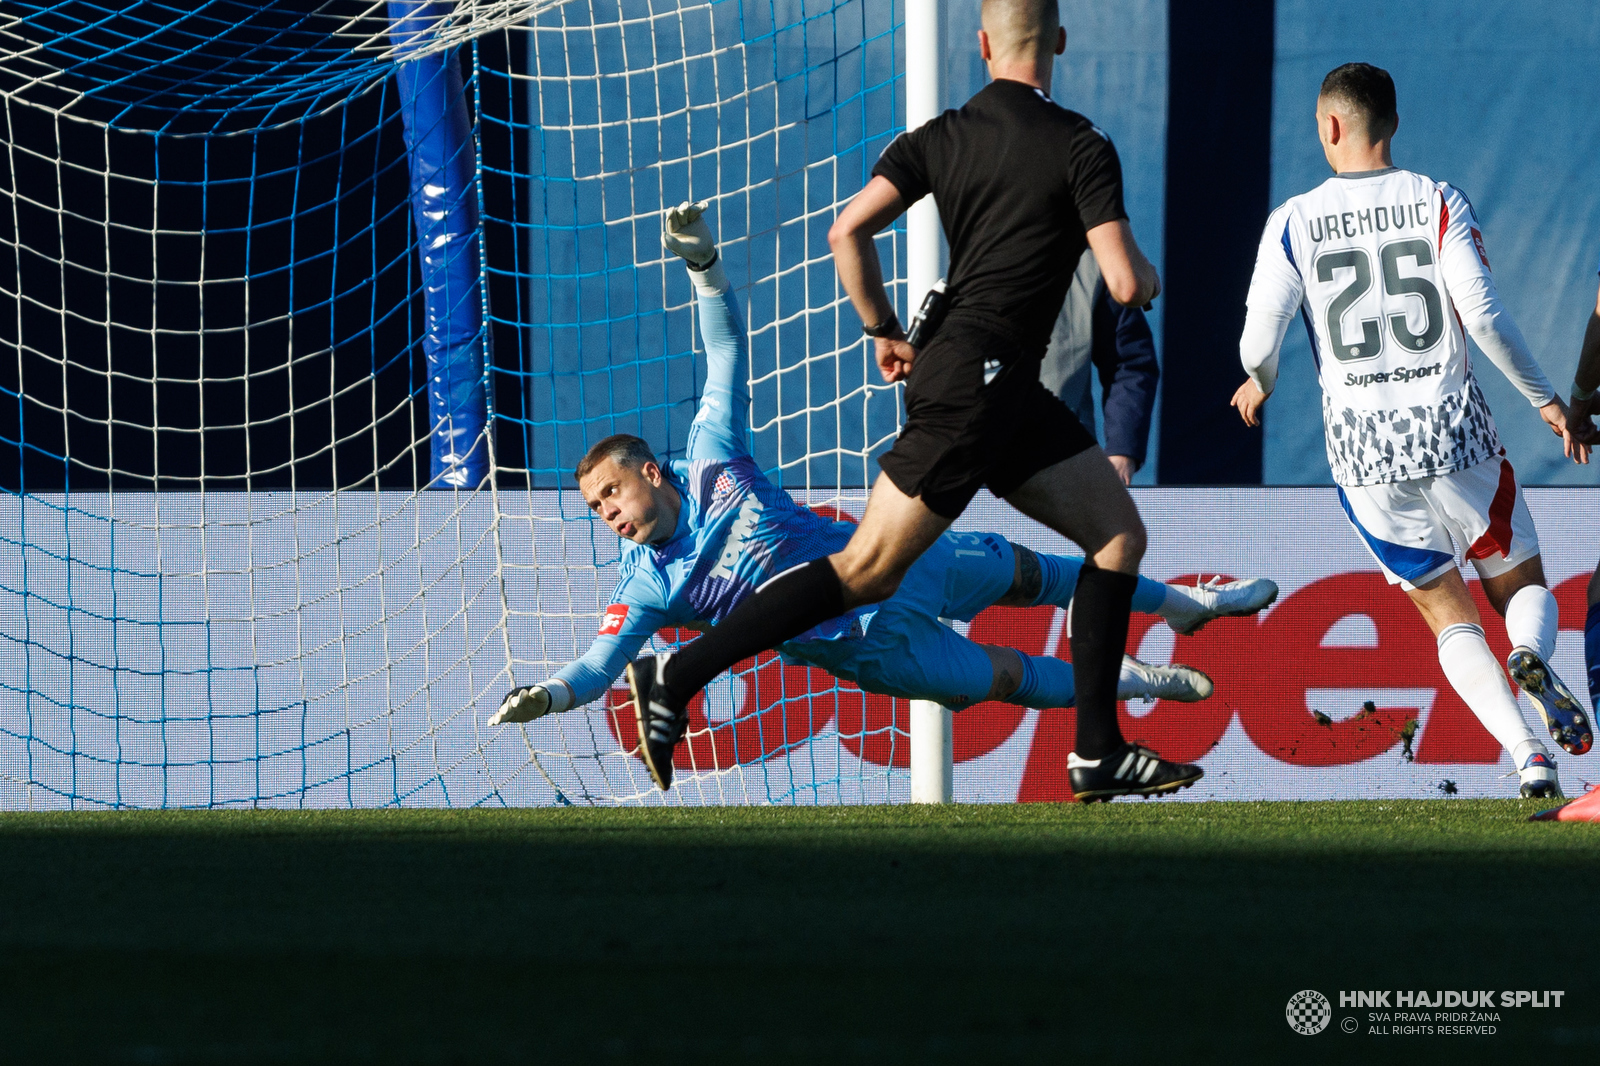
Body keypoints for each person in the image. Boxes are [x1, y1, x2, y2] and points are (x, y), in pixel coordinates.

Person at [623, 0, 1203, 803]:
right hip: (981, 384)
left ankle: (1098, 752)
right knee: (865, 569)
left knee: (1116, 536)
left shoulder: (941, 134)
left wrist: (882, 330)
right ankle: (677, 675)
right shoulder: (1082, 142)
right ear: (1059, 43)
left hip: (991, 381)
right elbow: (1125, 283)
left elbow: (845, 232)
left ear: (981, 44)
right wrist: (1146, 269)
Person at [492, 203, 1279, 793]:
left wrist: (703, 267)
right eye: (596, 508)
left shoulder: (708, 456)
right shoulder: (646, 588)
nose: (609, 514)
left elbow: (725, 347)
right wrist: (552, 695)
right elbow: (603, 668)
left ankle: (1183, 602)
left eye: (610, 493)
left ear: (648, 472)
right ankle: (1130, 682)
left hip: (895, 555)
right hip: (872, 649)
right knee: (1008, 676)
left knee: (1038, 574)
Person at [1229, 62, 1591, 799]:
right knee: (1518, 579)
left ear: (1330, 125)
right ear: (1393, 124)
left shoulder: (1293, 220)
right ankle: (1529, 650)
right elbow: (1483, 315)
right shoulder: (1435, 200)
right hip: (1451, 426)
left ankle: (1529, 756)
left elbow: (1258, 342)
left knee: (1442, 611)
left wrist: (1259, 383)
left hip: (1364, 450)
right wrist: (1546, 399)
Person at [1040, 249, 1159, 484]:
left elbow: (1129, 363)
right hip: (978, 468)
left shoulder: (1093, 264)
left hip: (1064, 462)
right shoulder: (974, 258)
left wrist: (1122, 452)